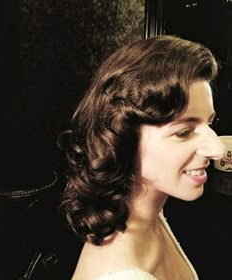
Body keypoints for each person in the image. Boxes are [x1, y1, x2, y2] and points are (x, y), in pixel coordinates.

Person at [59, 35, 226, 280]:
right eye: (183, 132)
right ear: (122, 138)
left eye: (209, 122)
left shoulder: (150, 214)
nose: (217, 149)